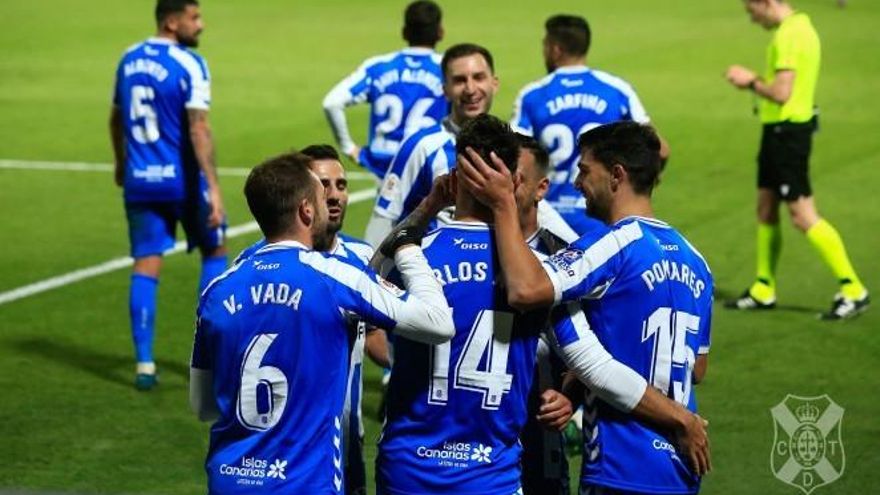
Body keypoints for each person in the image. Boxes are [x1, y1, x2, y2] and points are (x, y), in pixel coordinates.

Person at [376, 116, 709, 495]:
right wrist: (680, 417)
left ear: (455, 176)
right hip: (492, 477)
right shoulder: (540, 273)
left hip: (408, 470)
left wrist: (428, 206)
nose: (577, 182)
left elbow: (368, 282)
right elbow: (597, 365)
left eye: (584, 171)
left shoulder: (415, 256)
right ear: (514, 182)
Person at [189, 152, 454, 494]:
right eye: (321, 194)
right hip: (304, 482)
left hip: (230, 481)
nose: (331, 200)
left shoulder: (218, 289)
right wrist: (408, 247)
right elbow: (437, 322)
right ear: (306, 210)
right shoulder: (336, 277)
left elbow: (203, 405)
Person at [232, 144, 386, 495]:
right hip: (275, 442)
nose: (334, 195)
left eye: (341, 185)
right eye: (323, 185)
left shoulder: (362, 258)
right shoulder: (254, 264)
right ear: (303, 197)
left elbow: (374, 337)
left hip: (345, 439)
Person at [724, 0, 869, 319]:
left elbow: (781, 93)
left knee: (803, 215)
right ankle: (763, 288)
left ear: (765, 3)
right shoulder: (801, 27)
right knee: (765, 207)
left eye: (751, 11)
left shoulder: (790, 35)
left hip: (788, 135)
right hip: (778, 131)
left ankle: (853, 289)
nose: (752, 19)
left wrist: (750, 80)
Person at [110, 0, 227, 390]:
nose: (201, 25)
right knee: (215, 251)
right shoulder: (190, 63)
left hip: (139, 181)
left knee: (146, 264)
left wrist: (120, 164)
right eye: (195, 17)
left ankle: (144, 364)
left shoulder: (128, 58)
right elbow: (199, 128)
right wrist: (213, 187)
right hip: (183, 183)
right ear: (172, 21)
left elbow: (115, 118)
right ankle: (209, 360)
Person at [511, 14, 669, 236]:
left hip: (549, 222)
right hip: (602, 217)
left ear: (555, 49)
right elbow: (661, 150)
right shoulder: (617, 90)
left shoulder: (532, 95)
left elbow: (515, 158)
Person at [363, 42, 499, 247]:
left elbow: (538, 214)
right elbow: (384, 219)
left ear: (494, 83)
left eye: (478, 77)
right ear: (445, 90)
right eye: (459, 80)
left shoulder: (516, 143)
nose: (470, 89)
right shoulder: (422, 146)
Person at [323, 0, 446, 179]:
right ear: (440, 32)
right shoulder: (449, 70)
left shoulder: (378, 67)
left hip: (384, 167)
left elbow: (331, 103)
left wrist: (348, 147)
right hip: (427, 165)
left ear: (404, 32)